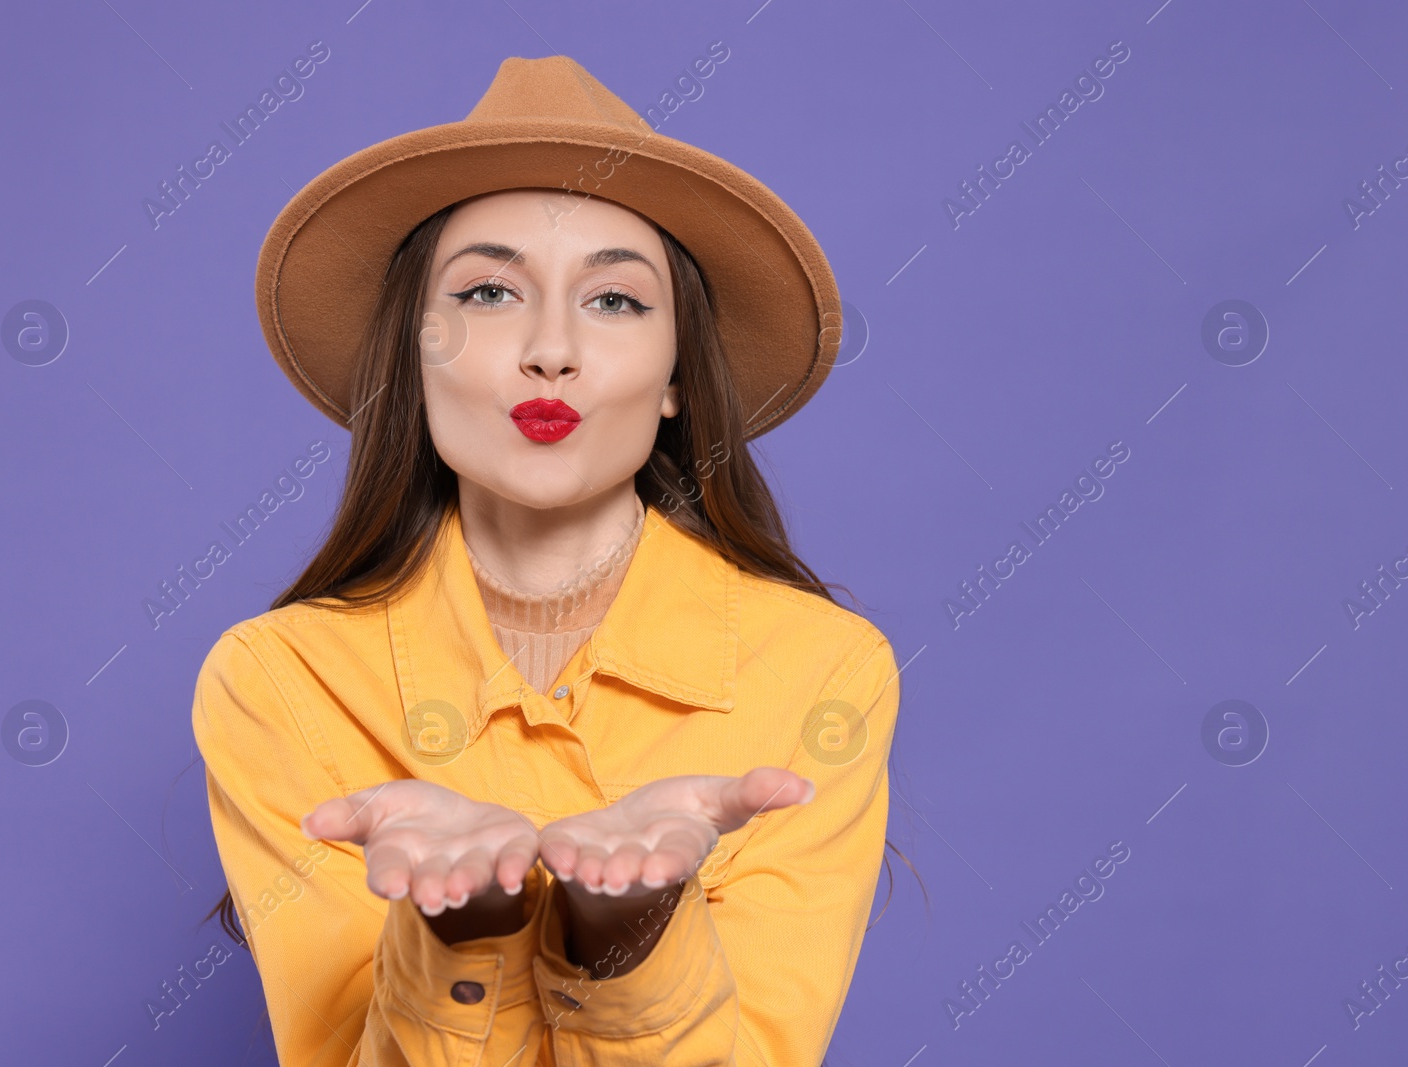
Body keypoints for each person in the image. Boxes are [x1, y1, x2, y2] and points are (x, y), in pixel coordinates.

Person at [192, 55, 910, 1066]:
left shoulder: (821, 669)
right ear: (413, 351)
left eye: (615, 301)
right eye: (489, 291)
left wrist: (624, 940)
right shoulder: (280, 680)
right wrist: (457, 931)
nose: (551, 348)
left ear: (673, 377)